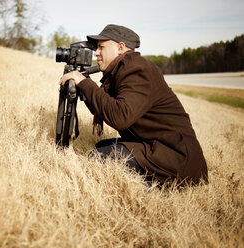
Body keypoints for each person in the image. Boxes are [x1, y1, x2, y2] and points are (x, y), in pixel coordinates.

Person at [58, 24, 208, 185]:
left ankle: (155, 187)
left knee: (99, 157)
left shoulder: (137, 69)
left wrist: (85, 83)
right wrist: (84, 83)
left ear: (120, 47)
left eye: (101, 47)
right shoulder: (120, 70)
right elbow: (103, 108)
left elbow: (119, 116)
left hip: (177, 159)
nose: (96, 53)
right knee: (101, 147)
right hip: (157, 145)